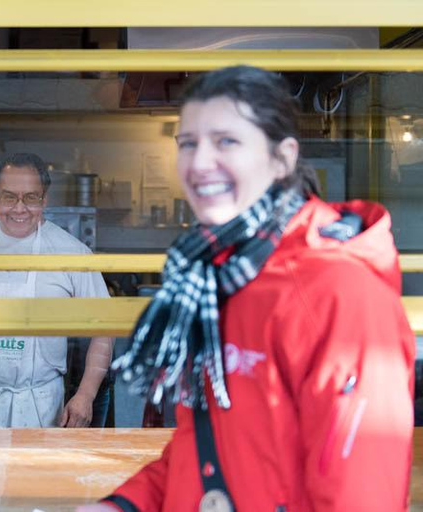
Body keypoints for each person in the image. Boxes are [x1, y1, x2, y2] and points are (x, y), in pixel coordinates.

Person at [80, 66, 415, 511]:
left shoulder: (341, 293)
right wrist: (122, 505)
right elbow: (205, 454)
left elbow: (359, 497)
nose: (199, 163)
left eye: (226, 141)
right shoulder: (214, 279)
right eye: (188, 144)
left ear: (283, 157)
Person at [0, 153, 113, 428]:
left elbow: (105, 327)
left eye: (31, 197)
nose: (20, 209)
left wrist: (85, 395)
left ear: (44, 199)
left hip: (37, 403)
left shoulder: (72, 254)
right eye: (9, 197)